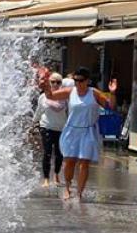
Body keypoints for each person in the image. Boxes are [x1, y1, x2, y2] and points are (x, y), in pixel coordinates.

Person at [41, 66, 117, 201]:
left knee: (84, 163)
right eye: (76, 80)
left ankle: (79, 193)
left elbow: (110, 106)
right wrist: (46, 86)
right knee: (69, 161)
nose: (78, 83)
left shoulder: (94, 93)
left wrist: (113, 93)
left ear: (87, 81)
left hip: (88, 131)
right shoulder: (71, 92)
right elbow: (50, 96)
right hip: (71, 130)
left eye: (81, 80)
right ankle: (67, 188)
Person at [34, 72, 67, 187]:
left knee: (59, 154)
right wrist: (33, 122)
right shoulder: (43, 97)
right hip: (46, 127)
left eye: (58, 82)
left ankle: (56, 174)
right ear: (49, 83)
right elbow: (39, 111)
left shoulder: (64, 97)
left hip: (61, 128)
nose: (55, 84)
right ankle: (46, 179)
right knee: (47, 153)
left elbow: (69, 112)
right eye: (53, 82)